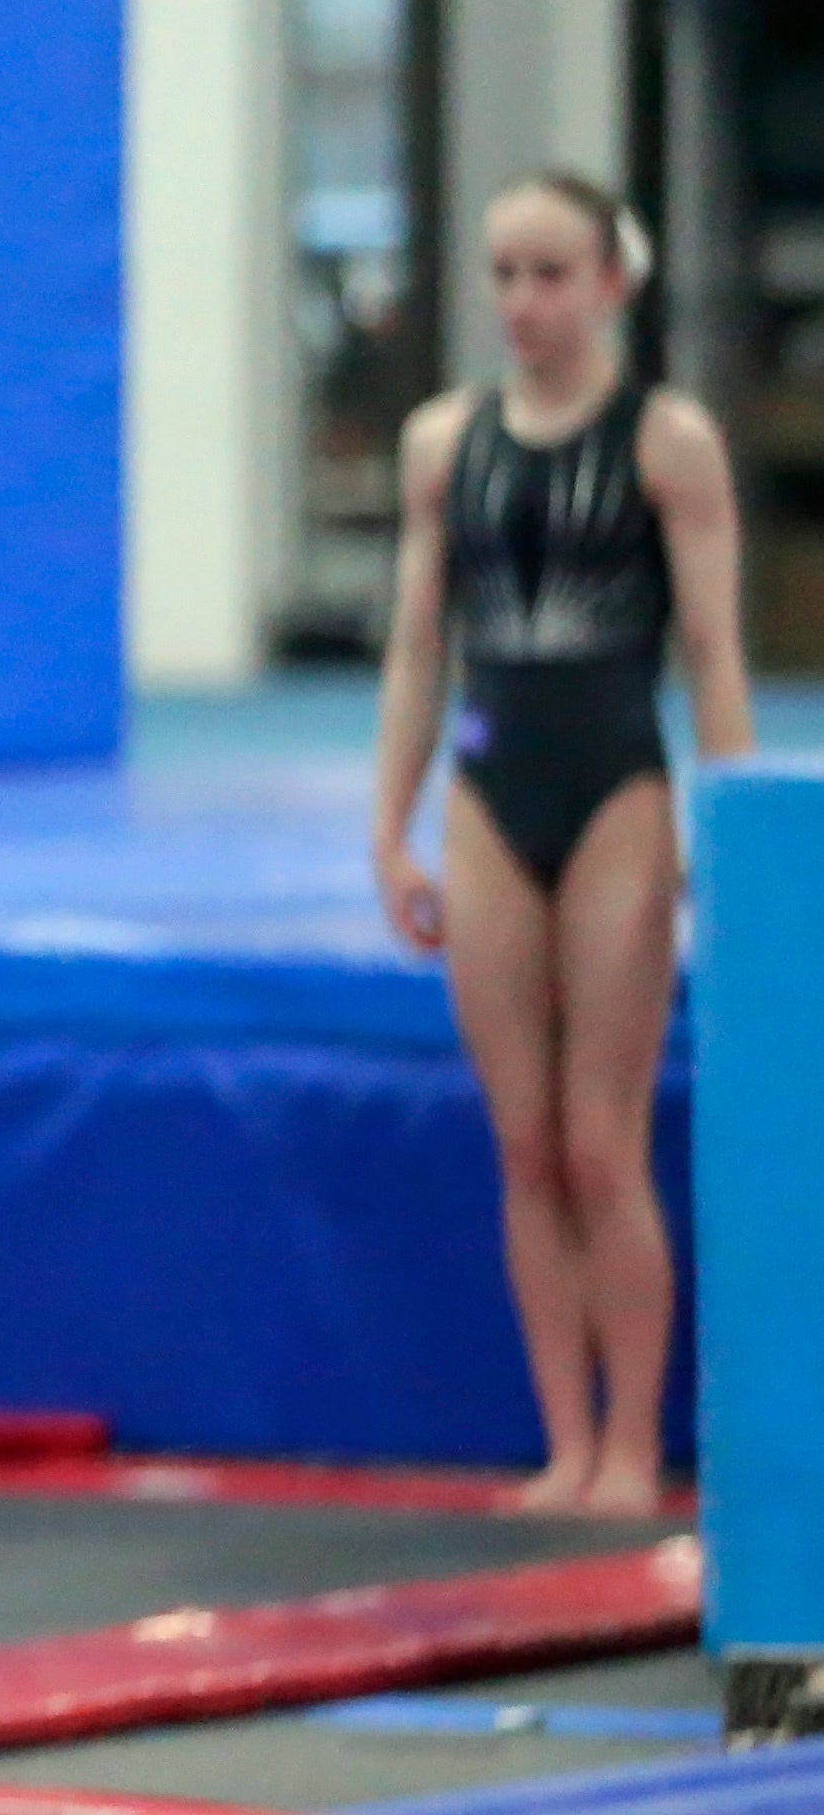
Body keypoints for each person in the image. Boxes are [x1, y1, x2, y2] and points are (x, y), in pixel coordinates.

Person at [371, 171, 753, 1516]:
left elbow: (711, 649)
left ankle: (636, 1449)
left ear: (611, 284)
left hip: (616, 797)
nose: (523, 302)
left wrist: (730, 818)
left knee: (603, 1138)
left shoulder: (668, 441)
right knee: (523, 1141)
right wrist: (390, 827)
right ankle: (564, 1444)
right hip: (487, 795)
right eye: (504, 273)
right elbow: (420, 650)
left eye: (551, 274)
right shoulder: (440, 444)